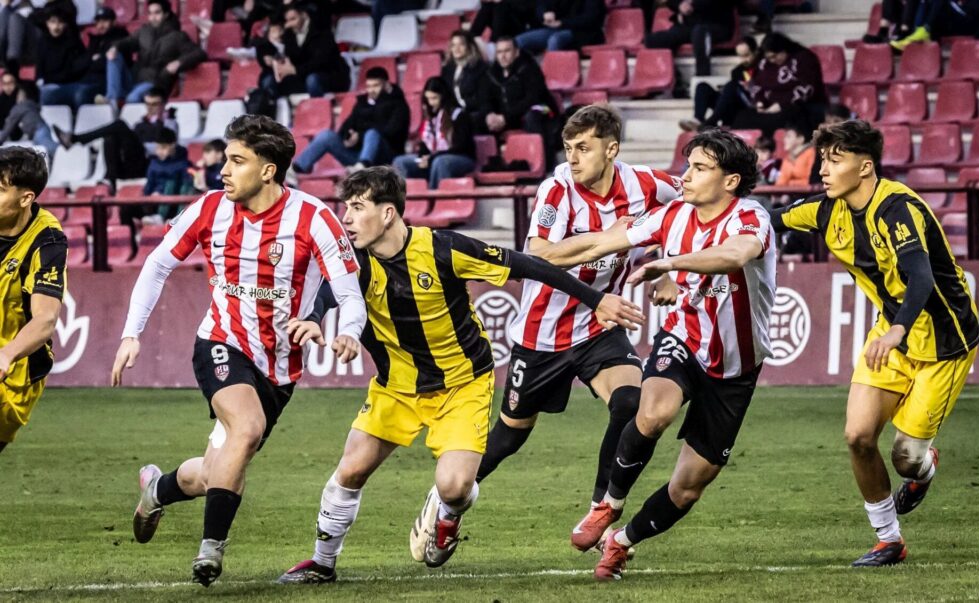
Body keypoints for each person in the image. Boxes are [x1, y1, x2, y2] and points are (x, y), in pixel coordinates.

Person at [276, 166, 646, 583]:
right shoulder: (353, 260)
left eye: (357, 207)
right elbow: (328, 293)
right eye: (346, 207)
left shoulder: (444, 248)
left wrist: (596, 300)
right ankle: (321, 563)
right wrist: (312, 319)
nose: (346, 217)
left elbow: (529, 266)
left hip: (462, 385)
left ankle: (448, 516)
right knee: (350, 469)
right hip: (396, 388)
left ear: (388, 213)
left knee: (453, 487)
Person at [110, 114, 367, 587]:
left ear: (268, 170)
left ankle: (157, 489)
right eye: (225, 160)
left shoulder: (314, 218)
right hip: (221, 341)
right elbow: (157, 265)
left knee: (215, 472)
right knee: (246, 428)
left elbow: (350, 294)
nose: (223, 170)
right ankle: (210, 549)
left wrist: (348, 331)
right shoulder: (209, 208)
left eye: (236, 161)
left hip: (280, 367)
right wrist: (131, 333)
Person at [531, 129, 775, 581]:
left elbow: (734, 255)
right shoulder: (671, 214)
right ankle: (608, 504)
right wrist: (535, 256)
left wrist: (669, 264)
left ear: (731, 181)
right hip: (683, 338)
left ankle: (621, 542)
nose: (686, 175)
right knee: (653, 411)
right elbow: (599, 243)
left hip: (736, 366)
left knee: (688, 487)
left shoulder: (750, 217)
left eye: (700, 168)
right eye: (688, 165)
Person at [771, 120, 979, 567]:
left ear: (865, 167)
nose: (823, 170)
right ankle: (889, 540)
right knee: (858, 436)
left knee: (906, 459)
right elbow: (766, 219)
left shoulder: (897, 208)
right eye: (822, 159)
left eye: (835, 160)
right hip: (891, 334)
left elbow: (920, 277)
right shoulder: (825, 210)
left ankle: (923, 467)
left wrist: (899, 329)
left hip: (944, 341)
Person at [472, 105, 682, 547]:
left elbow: (689, 210)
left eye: (584, 148)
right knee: (509, 436)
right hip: (542, 330)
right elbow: (539, 254)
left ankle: (600, 509)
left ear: (612, 149)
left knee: (630, 403)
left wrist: (668, 268)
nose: (573, 157)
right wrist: (610, 239)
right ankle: (447, 500)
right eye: (568, 147)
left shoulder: (647, 184)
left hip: (599, 326)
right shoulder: (557, 189)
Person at [0, 147, 67, 455]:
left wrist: (6, 355)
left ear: (25, 198)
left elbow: (45, 319)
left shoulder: (47, 240)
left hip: (15, 371)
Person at [292, 67, 409, 174]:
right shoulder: (362, 103)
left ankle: (362, 167)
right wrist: (348, 138)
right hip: (357, 156)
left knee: (372, 133)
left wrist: (360, 136)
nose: (371, 90)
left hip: (385, 159)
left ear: (386, 85)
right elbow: (346, 126)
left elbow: (392, 133)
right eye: (368, 86)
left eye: (376, 86)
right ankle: (297, 169)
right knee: (326, 135)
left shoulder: (399, 105)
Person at [55, 88, 178, 189]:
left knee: (120, 125)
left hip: (149, 165)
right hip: (130, 165)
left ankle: (76, 139)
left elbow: (167, 148)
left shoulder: (169, 123)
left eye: (154, 104)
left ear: (163, 104)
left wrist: (142, 144)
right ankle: (110, 179)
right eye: (147, 104)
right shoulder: (141, 123)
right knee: (110, 137)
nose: (150, 108)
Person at [477, 37, 560, 169]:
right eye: (499, 52)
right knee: (476, 119)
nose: (503, 56)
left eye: (507, 51)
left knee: (532, 116)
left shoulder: (529, 68)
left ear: (516, 52)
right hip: (509, 116)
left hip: (544, 110)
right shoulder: (491, 73)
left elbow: (533, 99)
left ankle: (545, 165)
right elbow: (485, 99)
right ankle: (489, 166)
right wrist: (489, 115)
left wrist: (506, 117)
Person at [104, 0, 206, 104]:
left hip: (156, 83)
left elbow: (199, 53)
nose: (153, 17)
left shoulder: (177, 36)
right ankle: (112, 99)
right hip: (135, 79)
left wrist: (178, 63)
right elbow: (127, 42)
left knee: (132, 98)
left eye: (157, 13)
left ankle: (118, 103)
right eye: (150, 13)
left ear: (166, 14)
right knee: (114, 56)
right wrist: (115, 47)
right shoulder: (143, 32)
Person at [733, 33, 827, 137]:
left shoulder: (805, 58)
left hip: (799, 106)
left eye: (774, 56)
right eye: (769, 58)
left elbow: (807, 89)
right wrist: (760, 103)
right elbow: (758, 86)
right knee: (741, 117)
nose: (772, 60)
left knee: (786, 116)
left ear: (783, 49)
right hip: (769, 108)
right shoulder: (766, 63)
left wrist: (781, 105)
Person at [392, 77, 476, 189]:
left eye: (434, 98)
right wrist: (423, 156)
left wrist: (432, 157)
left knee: (440, 162)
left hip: (460, 157)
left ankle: (435, 197)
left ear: (443, 97)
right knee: (400, 161)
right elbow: (426, 144)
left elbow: (461, 146)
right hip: (434, 158)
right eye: (428, 99)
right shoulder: (431, 117)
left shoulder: (459, 115)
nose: (430, 103)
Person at [266, 3, 350, 98]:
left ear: (304, 15)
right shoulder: (289, 34)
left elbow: (321, 61)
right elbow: (289, 55)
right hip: (302, 75)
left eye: (293, 19)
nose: (290, 24)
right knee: (271, 81)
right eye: (287, 21)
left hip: (329, 75)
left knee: (312, 80)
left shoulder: (321, 30)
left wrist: (295, 70)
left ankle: (318, 106)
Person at [681, 36, 759, 131]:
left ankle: (711, 122)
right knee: (702, 87)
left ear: (755, 52)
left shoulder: (763, 68)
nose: (744, 60)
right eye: (740, 56)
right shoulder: (737, 71)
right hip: (733, 108)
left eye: (746, 55)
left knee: (731, 86)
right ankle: (698, 120)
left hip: (750, 108)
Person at [643, 0, 737, 77]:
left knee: (699, 32)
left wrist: (693, 5)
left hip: (718, 25)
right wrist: (680, 5)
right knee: (652, 40)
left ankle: (702, 77)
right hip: (690, 26)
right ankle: (672, 76)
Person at [36, 8, 97, 110]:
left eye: (60, 22)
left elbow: (79, 66)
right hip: (51, 85)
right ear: (47, 24)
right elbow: (40, 70)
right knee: (47, 94)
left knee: (81, 94)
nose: (56, 26)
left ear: (65, 24)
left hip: (72, 84)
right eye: (53, 22)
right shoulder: (42, 42)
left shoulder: (72, 41)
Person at [138, 127, 190, 224]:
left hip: (173, 201)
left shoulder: (183, 164)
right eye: (157, 148)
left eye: (163, 148)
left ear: (173, 145)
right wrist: (148, 197)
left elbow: (183, 187)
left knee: (172, 184)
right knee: (128, 208)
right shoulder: (154, 163)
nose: (159, 152)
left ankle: (166, 218)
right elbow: (150, 184)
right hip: (155, 200)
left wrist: (160, 193)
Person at [514, 0, 605, 53]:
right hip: (556, 28)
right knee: (518, 41)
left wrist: (562, 23)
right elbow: (541, 5)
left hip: (583, 32)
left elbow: (591, 18)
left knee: (555, 40)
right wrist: (544, 13)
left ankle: (552, 77)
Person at [440, 30, 487, 125]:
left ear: (469, 47)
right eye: (453, 45)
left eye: (461, 44)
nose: (456, 48)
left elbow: (482, 100)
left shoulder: (480, 68)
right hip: (455, 114)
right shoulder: (447, 69)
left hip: (474, 115)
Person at [83, 7, 130, 102]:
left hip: (122, 81)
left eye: (104, 21)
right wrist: (99, 59)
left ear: (113, 22)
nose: (101, 25)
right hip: (97, 80)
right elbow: (87, 63)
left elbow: (122, 61)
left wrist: (98, 58)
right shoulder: (95, 40)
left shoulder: (121, 36)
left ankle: (112, 99)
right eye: (98, 22)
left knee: (114, 56)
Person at [0, 82, 59, 157]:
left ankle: (68, 150)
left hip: (38, 131)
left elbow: (8, 127)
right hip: (42, 129)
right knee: (47, 152)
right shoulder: (31, 104)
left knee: (51, 149)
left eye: (18, 94)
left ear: (23, 95)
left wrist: (1, 140)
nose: (16, 96)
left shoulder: (19, 107)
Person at [468, 0, 536, 40]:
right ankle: (470, 39)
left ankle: (495, 43)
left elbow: (527, 7)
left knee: (500, 6)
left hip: (522, 24)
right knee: (488, 6)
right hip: (501, 21)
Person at [775, 122, 815, 186]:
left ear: (800, 139)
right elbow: (780, 183)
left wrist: (790, 183)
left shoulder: (811, 153)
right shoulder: (787, 158)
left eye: (788, 136)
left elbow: (811, 181)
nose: (784, 139)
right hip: (790, 191)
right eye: (784, 137)